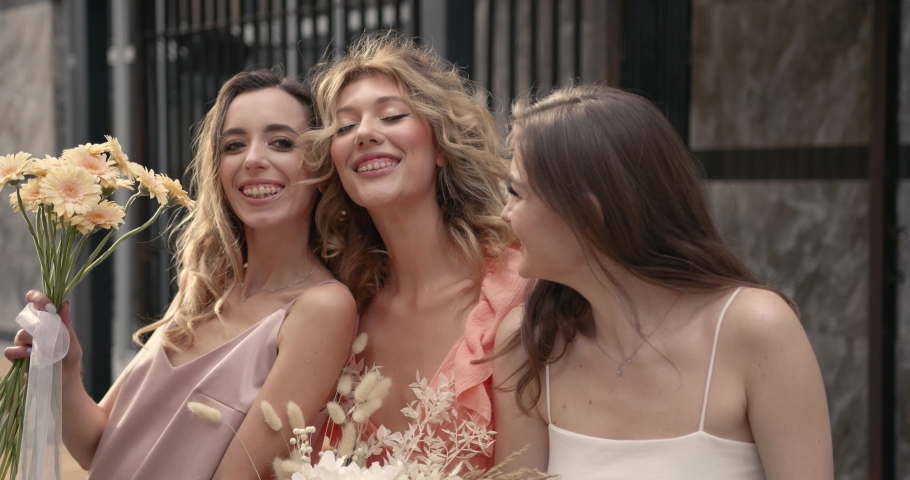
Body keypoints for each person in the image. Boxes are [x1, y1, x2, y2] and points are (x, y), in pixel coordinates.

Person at [5, 70, 358, 479]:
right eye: (233, 145)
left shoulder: (322, 308)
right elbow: (97, 447)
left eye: (281, 142)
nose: (253, 159)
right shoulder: (203, 290)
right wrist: (64, 371)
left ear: (319, 165)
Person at [492, 85, 833, 479]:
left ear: (585, 215)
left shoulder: (755, 329)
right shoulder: (528, 345)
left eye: (517, 193)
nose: (504, 214)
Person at [302, 33, 524, 465]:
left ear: (441, 146)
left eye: (391, 116)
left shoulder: (520, 289)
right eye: (345, 126)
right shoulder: (342, 316)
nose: (364, 133)